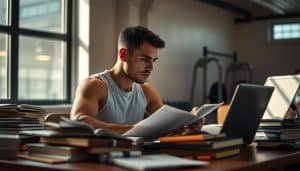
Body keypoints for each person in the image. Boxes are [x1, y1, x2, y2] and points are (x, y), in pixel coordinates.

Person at [71, 26, 203, 134]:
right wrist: (136, 130)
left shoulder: (146, 91)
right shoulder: (95, 85)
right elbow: (79, 122)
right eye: (144, 59)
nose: (151, 67)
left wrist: (189, 122)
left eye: (154, 61)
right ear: (124, 54)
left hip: (135, 159)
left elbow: (167, 123)